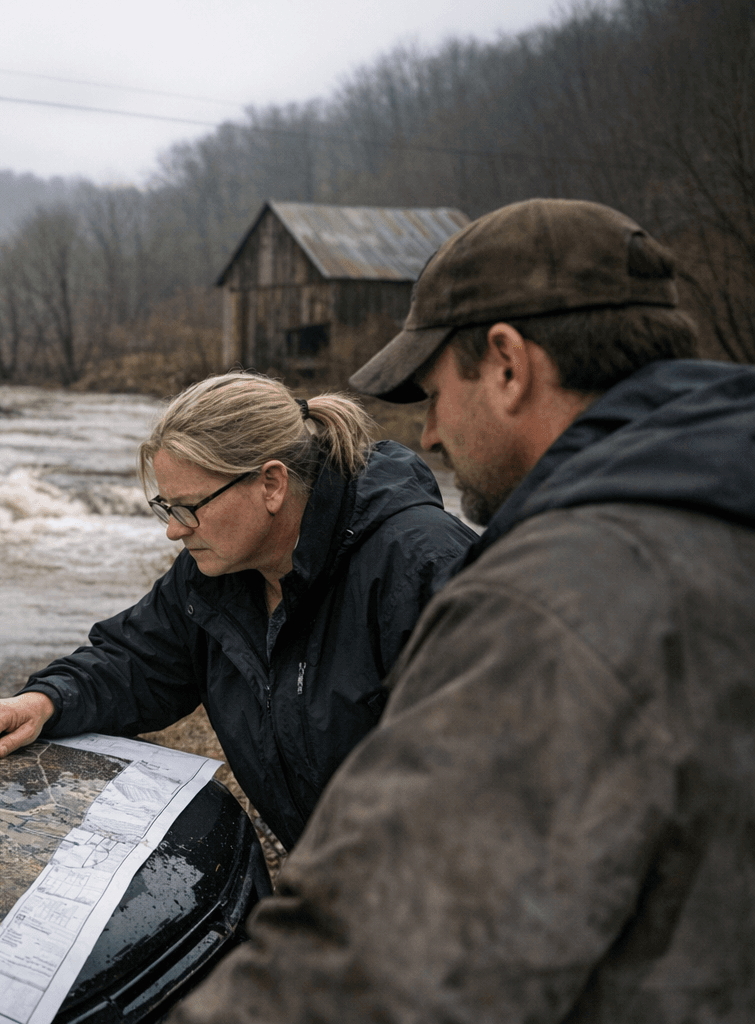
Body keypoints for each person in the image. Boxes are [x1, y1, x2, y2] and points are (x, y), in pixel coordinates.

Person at [173, 198, 755, 1023]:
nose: (433, 435)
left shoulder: (553, 602)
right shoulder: (719, 508)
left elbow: (368, 964)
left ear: (509, 365)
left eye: (437, 391)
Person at [0, 372, 476, 852]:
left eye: (188, 507)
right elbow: (136, 661)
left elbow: (485, 787)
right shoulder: (215, 576)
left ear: (271, 484)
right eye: (166, 507)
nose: (174, 529)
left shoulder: (422, 569)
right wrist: (44, 700)